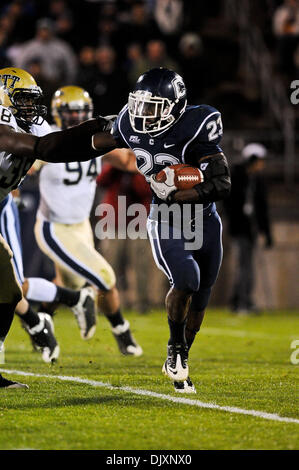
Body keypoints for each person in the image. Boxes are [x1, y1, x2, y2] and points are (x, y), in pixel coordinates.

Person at [91, 67, 231, 393]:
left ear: (176, 105)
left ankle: (180, 354)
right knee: (187, 279)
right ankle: (176, 348)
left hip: (204, 217)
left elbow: (222, 183)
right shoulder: (128, 121)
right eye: (139, 105)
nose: (142, 114)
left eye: (152, 107)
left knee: (201, 299)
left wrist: (182, 190)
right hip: (165, 215)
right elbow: (101, 138)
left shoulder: (198, 124)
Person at [0, 67, 115, 388]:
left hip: (1, 204)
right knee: (8, 288)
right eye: (22, 99)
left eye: (33, 100)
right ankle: (43, 322)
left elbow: (67, 149)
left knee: (9, 292)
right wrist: (97, 124)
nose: (31, 107)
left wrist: (113, 134)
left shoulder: (32, 122)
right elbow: (46, 149)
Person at [34, 85, 142, 356]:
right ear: (58, 114)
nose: (74, 118)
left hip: (81, 225)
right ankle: (122, 329)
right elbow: (26, 164)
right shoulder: (48, 137)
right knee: (104, 276)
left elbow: (129, 162)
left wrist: (164, 156)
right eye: (69, 113)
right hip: (54, 227)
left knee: (68, 284)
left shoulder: (94, 138)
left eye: (80, 112)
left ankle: (40, 323)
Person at [224, 143, 273, 314]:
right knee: (243, 266)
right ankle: (242, 301)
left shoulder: (257, 180)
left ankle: (241, 299)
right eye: (260, 160)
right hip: (240, 229)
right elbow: (229, 203)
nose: (262, 164)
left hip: (251, 229)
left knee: (247, 266)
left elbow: (262, 207)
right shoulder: (237, 176)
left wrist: (266, 232)